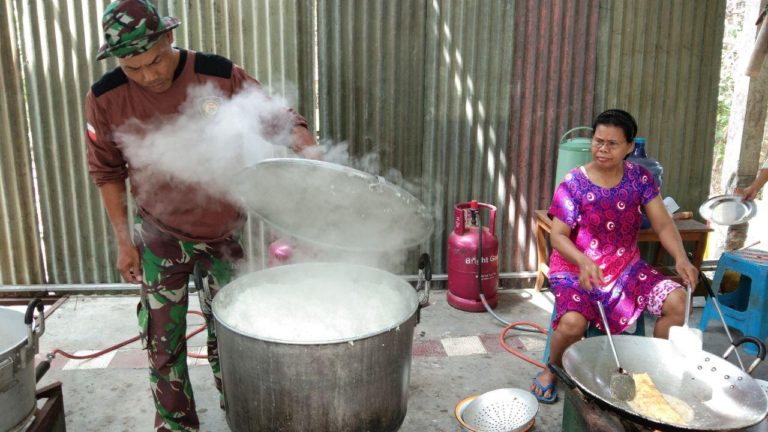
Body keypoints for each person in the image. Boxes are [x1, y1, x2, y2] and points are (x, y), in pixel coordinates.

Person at [84, 1, 315, 430]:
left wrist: (308, 148)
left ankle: (241, 411)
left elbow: (276, 118)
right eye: (134, 68)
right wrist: (122, 241)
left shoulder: (218, 73)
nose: (149, 74)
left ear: (169, 37)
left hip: (224, 230)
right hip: (158, 234)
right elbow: (107, 172)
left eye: (154, 60)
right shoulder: (105, 97)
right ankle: (176, 424)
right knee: (161, 340)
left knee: (232, 332)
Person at [530, 109, 699, 404]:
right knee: (572, 324)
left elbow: (662, 223)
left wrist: (682, 259)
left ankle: (655, 369)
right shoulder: (574, 183)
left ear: (630, 147)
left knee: (678, 303)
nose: (603, 149)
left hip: (626, 266)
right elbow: (557, 237)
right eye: (598, 141)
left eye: (612, 143)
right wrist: (583, 261)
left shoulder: (641, 179)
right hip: (574, 266)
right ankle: (552, 368)